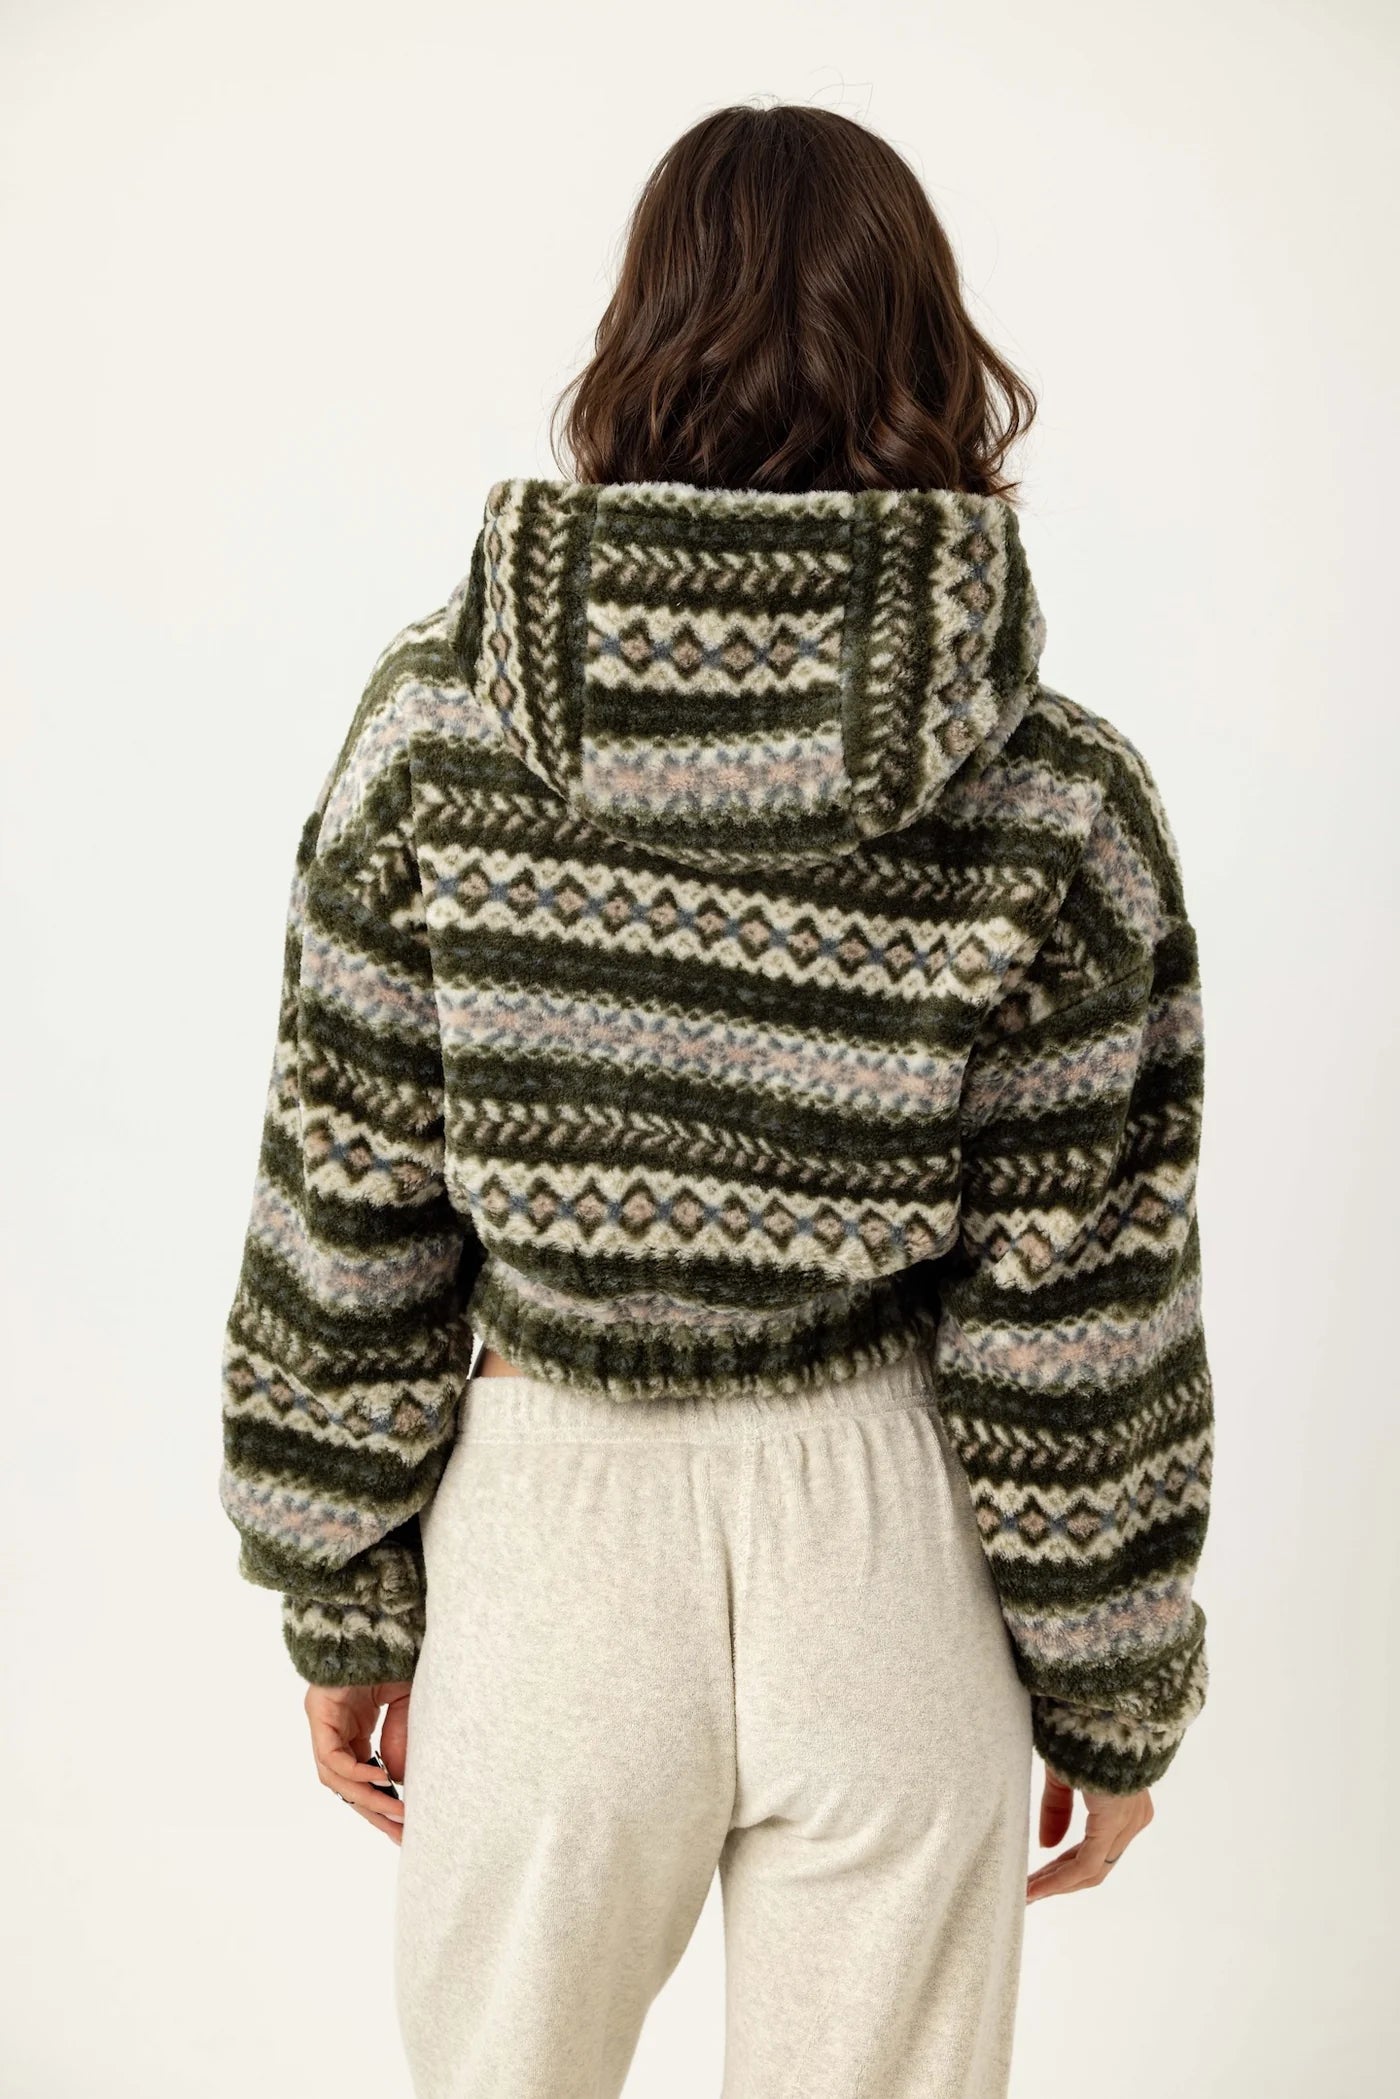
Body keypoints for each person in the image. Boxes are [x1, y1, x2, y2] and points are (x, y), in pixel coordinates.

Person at [219, 100, 1212, 2099]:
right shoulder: (1058, 797)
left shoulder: (435, 736)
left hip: (548, 1543)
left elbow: (349, 1194)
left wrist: (341, 1589)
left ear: (637, 339)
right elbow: (1077, 1303)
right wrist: (1112, 1691)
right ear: (933, 353)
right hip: (891, 1546)